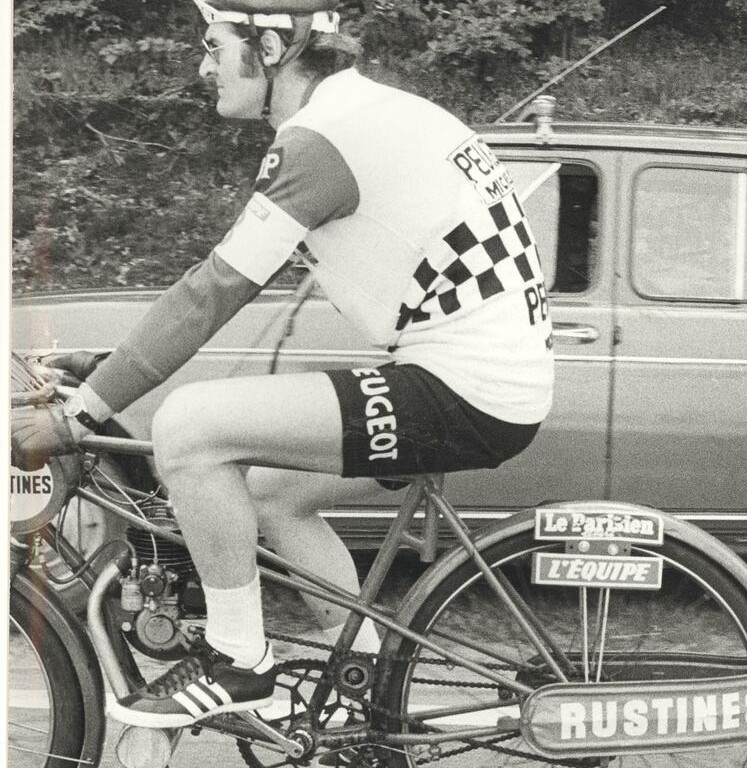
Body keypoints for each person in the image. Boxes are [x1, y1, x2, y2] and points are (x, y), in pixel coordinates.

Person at [10, 0, 555, 727]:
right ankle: (363, 691)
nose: (202, 66)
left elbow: (217, 289)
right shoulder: (366, 112)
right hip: (476, 375)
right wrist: (106, 369)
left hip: (465, 384)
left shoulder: (321, 141)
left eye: (214, 44)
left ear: (269, 46)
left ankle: (239, 663)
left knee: (191, 428)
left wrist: (83, 410)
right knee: (271, 491)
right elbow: (221, 296)